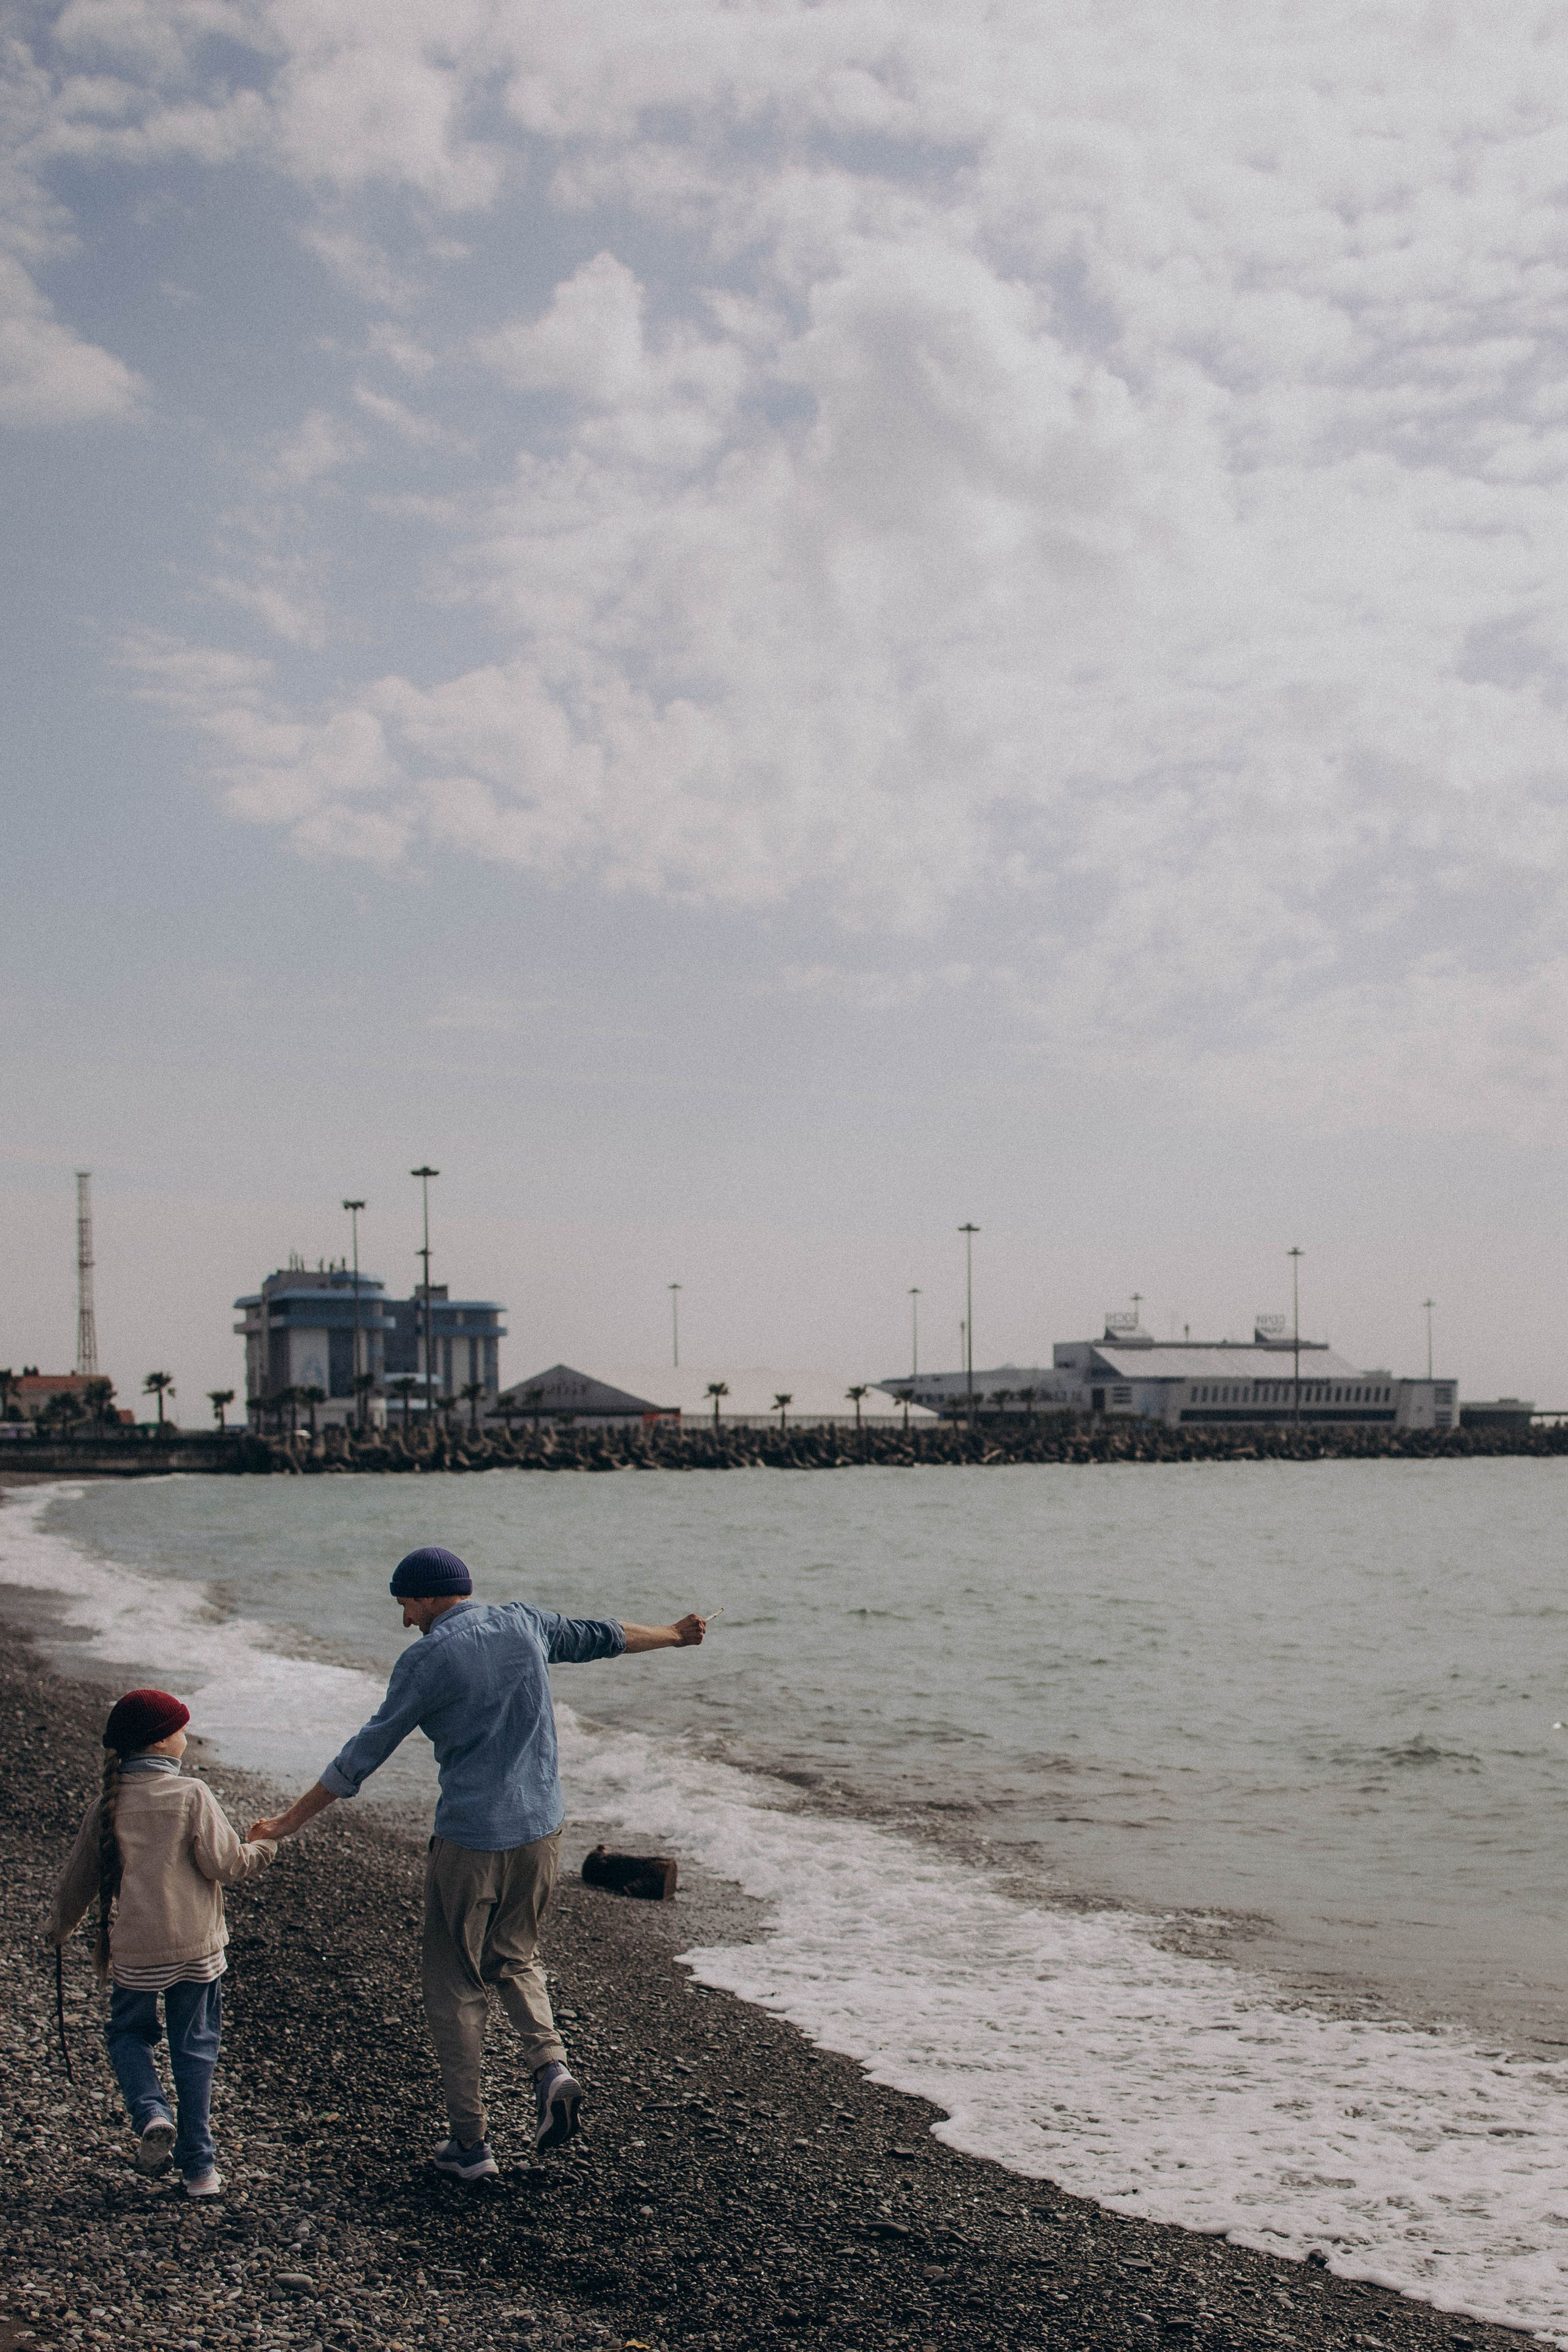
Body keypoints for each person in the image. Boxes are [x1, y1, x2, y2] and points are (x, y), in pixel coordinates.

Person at [249, 1545, 706, 2180]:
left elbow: (365, 1752)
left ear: (434, 1596)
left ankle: (470, 2145)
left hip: (470, 1841)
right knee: (516, 1956)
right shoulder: (523, 1622)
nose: (406, 1619)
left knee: (455, 1984)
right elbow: (604, 1636)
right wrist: (676, 1636)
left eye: (406, 1604)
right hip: (541, 1831)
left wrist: (286, 1823)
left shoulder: (426, 1658)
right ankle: (550, 2069)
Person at [45, 1687, 276, 2197]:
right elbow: (226, 1865)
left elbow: (78, 1879)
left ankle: (150, 2112)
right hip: (197, 1950)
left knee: (128, 2035)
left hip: (137, 1951)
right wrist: (265, 1844)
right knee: (195, 2048)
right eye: (180, 1729)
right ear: (162, 1742)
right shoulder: (193, 1794)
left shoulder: (107, 1805)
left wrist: (58, 1929)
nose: (186, 1736)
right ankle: (200, 2170)